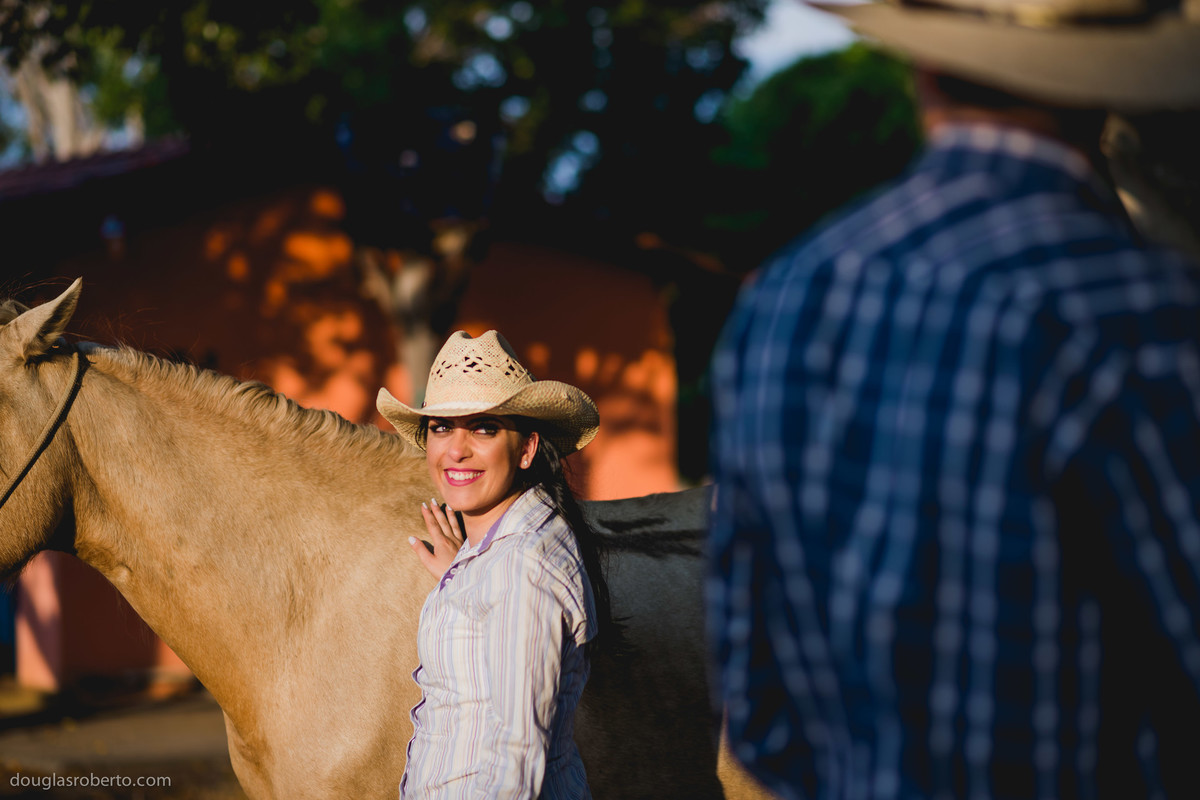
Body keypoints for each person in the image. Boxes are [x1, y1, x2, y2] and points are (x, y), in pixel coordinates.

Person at [707, 1, 1200, 798]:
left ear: (924, 68)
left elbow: (757, 704)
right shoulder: (1137, 308)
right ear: (1108, 84)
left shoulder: (784, 297)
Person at [377, 330, 610, 800]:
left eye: (484, 428)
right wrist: (462, 579)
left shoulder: (522, 568)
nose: (456, 449)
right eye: (441, 427)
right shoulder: (502, 555)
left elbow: (515, 759)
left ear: (526, 449)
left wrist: (483, 577)